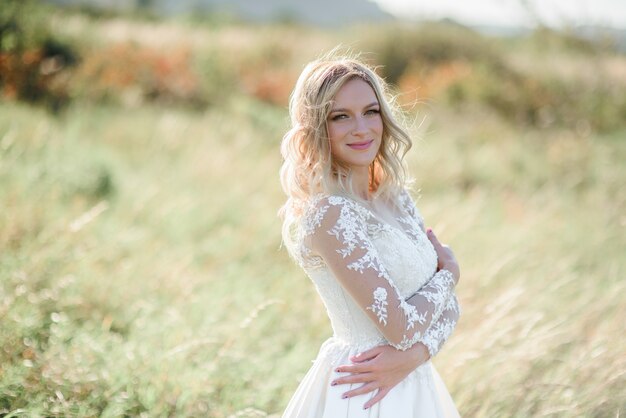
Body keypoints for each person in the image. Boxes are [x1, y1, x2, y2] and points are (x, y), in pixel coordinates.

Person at [279, 52, 461, 417]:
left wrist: (414, 357)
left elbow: (450, 310)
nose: (361, 128)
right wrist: (451, 274)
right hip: (361, 392)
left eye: (370, 111)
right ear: (316, 128)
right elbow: (401, 326)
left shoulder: (395, 198)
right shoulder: (331, 214)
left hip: (415, 385)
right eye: (340, 116)